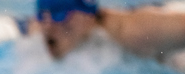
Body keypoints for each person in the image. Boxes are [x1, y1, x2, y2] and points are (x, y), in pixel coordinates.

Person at [34, 0, 185, 61]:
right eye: (42, 14)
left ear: (87, 13)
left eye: (58, 14)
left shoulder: (135, 31)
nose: (47, 25)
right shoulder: (36, 32)